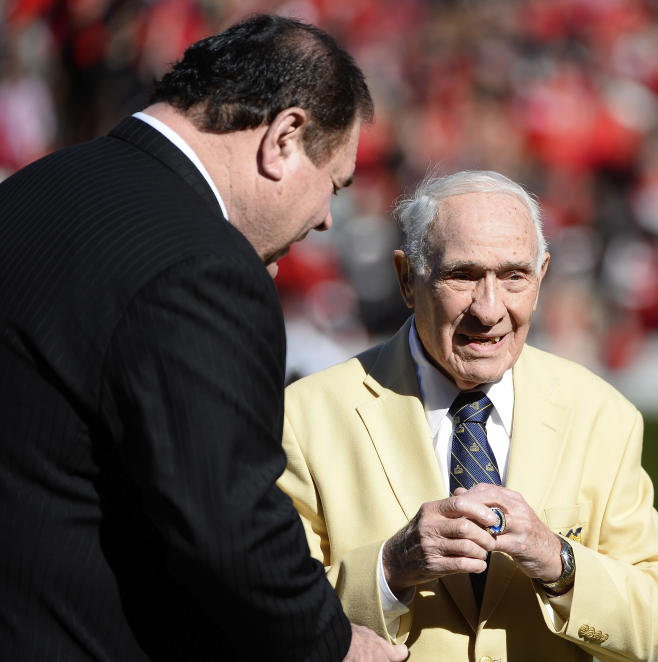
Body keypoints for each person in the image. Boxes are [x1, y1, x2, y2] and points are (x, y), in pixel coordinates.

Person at [0, 14, 406, 662]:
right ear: (283, 138)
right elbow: (229, 528)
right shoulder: (204, 266)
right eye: (333, 183)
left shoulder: (36, 188)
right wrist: (336, 646)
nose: (327, 217)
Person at [278, 169, 658, 661]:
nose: (489, 309)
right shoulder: (304, 418)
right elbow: (267, 622)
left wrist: (559, 561)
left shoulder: (603, 416)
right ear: (407, 279)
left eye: (514, 276)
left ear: (542, 278)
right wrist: (389, 571)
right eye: (463, 276)